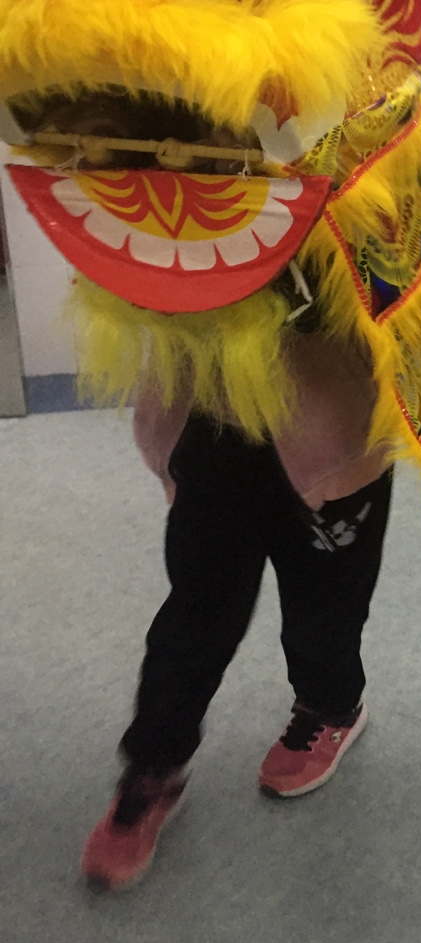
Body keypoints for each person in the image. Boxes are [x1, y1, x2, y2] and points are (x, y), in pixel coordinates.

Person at [80, 324, 393, 890]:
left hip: (336, 421)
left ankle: (330, 709)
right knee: (196, 617)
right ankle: (155, 764)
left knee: (327, 608)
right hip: (212, 417)